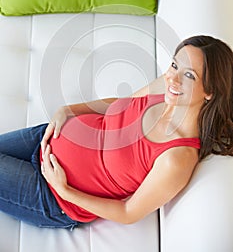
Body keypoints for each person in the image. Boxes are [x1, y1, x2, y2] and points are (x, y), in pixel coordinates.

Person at [0, 35, 232, 230]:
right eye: (174, 65)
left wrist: (64, 189)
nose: (173, 77)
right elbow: (121, 103)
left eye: (189, 75)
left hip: (50, 193)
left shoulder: (177, 158)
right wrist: (69, 110)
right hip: (46, 137)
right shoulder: (168, 87)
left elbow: (128, 212)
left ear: (210, 90)